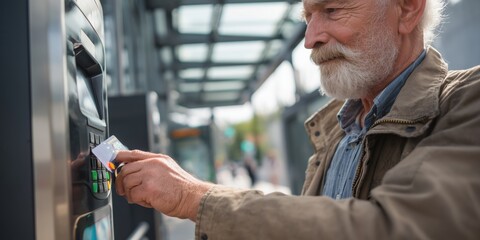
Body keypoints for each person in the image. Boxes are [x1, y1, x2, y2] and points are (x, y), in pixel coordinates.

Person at [114, 0, 480, 239]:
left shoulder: (468, 99)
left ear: (407, 9)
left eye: (333, 10)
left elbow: (393, 228)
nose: (310, 39)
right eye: (307, 18)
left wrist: (197, 199)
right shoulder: (336, 131)